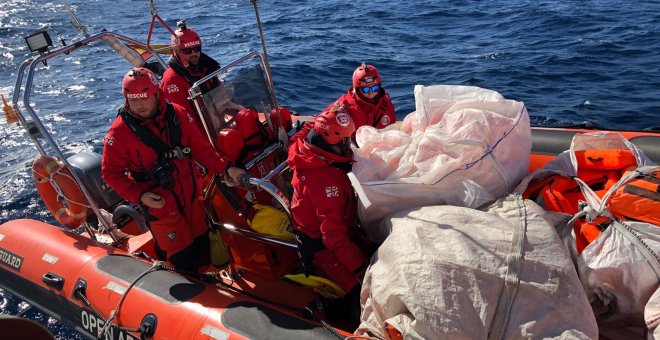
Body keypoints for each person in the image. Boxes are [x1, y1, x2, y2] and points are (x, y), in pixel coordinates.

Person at [102, 67, 246, 271]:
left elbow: (201, 150)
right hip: (161, 206)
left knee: (203, 245)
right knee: (182, 257)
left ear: (156, 93)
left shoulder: (178, 114)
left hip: (192, 196)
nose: (140, 105)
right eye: (134, 100)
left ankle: (211, 281)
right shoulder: (118, 134)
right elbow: (111, 173)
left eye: (145, 98)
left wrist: (228, 168)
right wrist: (140, 196)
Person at [287, 105, 368, 326]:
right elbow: (333, 236)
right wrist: (360, 269)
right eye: (345, 140)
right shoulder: (326, 181)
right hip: (319, 244)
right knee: (358, 289)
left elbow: (302, 132)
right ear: (333, 141)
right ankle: (344, 324)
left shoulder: (303, 148)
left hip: (327, 228)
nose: (348, 145)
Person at [161, 20, 222, 132]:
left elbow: (222, 94)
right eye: (187, 51)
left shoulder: (206, 67)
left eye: (196, 49)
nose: (194, 54)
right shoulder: (172, 80)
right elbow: (184, 121)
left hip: (218, 122)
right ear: (177, 52)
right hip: (202, 131)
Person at [328, 62, 396, 131]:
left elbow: (392, 127)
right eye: (365, 89)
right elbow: (323, 121)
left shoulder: (385, 102)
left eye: (375, 88)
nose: (371, 92)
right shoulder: (344, 104)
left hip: (380, 140)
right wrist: (333, 114)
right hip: (353, 141)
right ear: (357, 89)